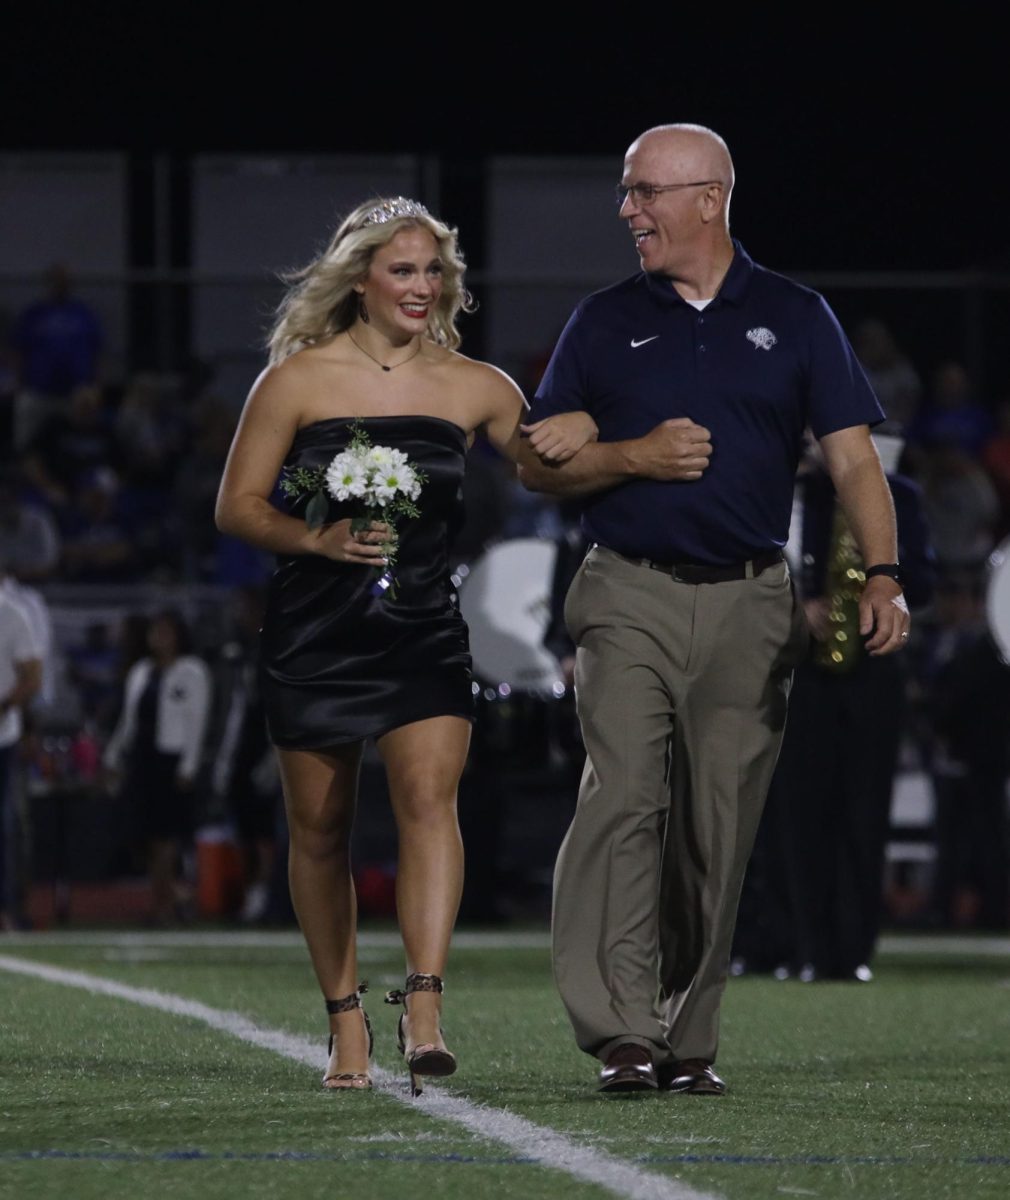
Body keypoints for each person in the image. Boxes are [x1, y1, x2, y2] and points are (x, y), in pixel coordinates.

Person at [518, 124, 911, 1097]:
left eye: (643, 193)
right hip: (625, 590)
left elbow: (855, 460)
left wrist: (885, 575)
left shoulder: (794, 314)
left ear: (708, 198)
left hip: (748, 599)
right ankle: (619, 1032)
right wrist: (628, 457)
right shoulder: (602, 321)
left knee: (717, 826)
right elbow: (535, 459)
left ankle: (686, 1038)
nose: (626, 212)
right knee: (622, 799)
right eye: (624, 193)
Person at [215, 197, 576, 1093]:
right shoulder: (295, 380)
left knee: (428, 801)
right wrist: (318, 540)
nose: (424, 287)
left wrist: (610, 440)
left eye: (435, 272)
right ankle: (345, 1025)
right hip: (313, 631)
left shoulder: (478, 385)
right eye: (404, 270)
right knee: (322, 828)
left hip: (423, 629)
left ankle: (423, 1007)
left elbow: (551, 470)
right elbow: (238, 507)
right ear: (361, 279)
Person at [104, 610, 212, 926]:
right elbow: (129, 719)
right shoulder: (141, 671)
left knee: (165, 836)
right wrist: (113, 756)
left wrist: (189, 766)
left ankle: (166, 904)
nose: (158, 639)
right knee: (145, 837)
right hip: (143, 757)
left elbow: (197, 720)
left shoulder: (192, 671)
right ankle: (167, 897)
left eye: (165, 632)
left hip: (171, 759)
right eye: (155, 632)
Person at [0, 563, 42, 929]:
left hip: (2, 737)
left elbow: (33, 675)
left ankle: (7, 909)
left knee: (6, 825)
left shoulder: (11, 613)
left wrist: (5, 705)